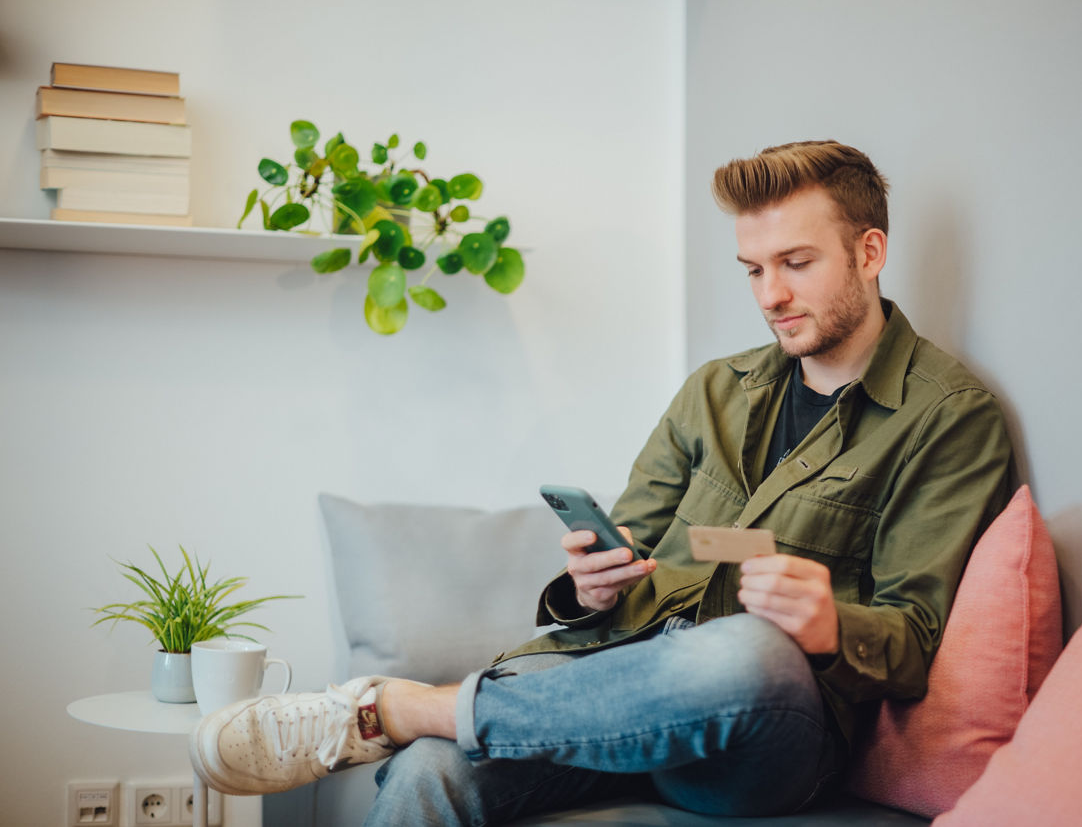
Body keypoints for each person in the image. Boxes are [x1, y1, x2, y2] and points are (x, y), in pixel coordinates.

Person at [190, 140, 1016, 825]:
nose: (771, 294)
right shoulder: (716, 391)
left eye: (796, 263)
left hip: (761, 733)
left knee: (748, 655)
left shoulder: (948, 417)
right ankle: (426, 728)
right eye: (753, 268)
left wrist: (832, 622)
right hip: (622, 679)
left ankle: (402, 709)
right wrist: (590, 587)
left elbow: (915, 640)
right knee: (427, 777)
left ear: (870, 252)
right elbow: (632, 548)